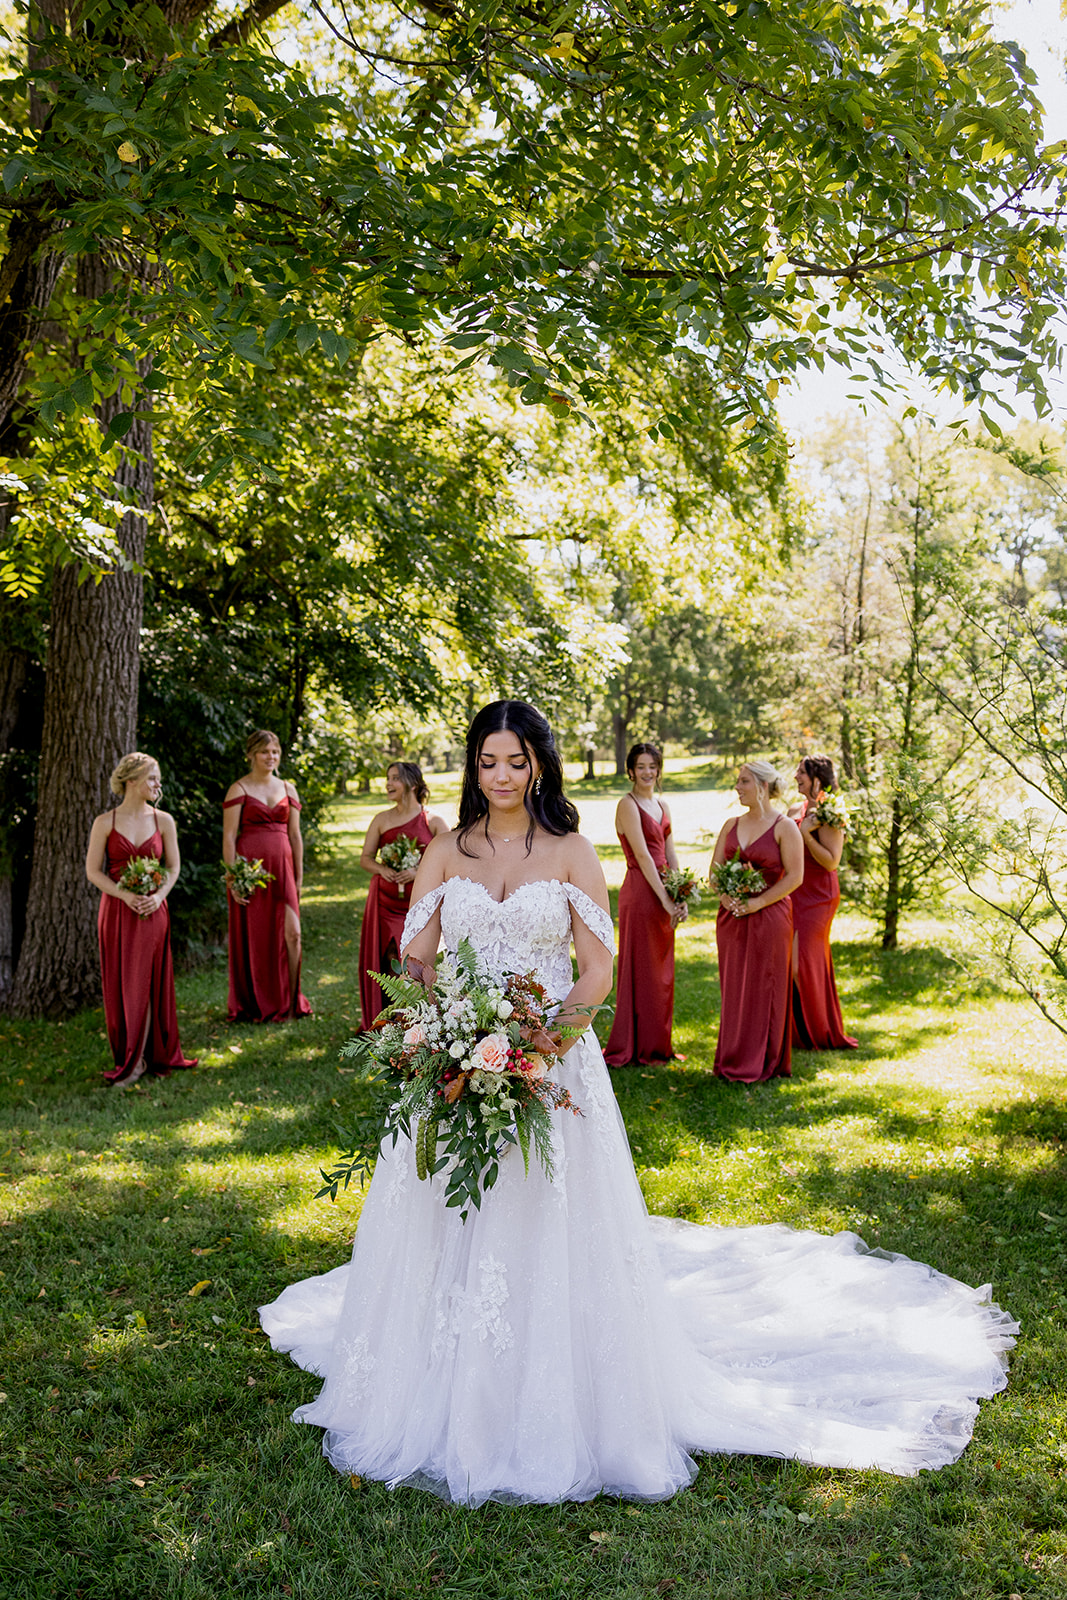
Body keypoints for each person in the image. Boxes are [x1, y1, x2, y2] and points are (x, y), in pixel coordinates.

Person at [260, 702, 1014, 1506]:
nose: (501, 776)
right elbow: (415, 955)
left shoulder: (573, 850)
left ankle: (554, 1382)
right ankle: (439, 1377)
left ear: (539, 766)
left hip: (553, 1064)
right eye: (487, 762)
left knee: (545, 1217)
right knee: (448, 1215)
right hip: (455, 1058)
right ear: (474, 767)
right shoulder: (447, 849)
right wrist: (437, 1023)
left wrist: (540, 1043)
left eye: (515, 762)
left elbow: (594, 970)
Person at [85, 752, 197, 1088]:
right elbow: (93, 872)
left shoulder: (164, 821)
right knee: (124, 985)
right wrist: (124, 894)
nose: (157, 784)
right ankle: (131, 1055)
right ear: (130, 781)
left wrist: (158, 896)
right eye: (151, 778)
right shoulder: (105, 822)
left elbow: (174, 867)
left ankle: (138, 1063)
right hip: (118, 912)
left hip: (152, 910)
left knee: (145, 984)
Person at [710, 761, 804, 1083]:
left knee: (765, 987)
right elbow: (714, 874)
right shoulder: (730, 825)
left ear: (762, 787)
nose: (738, 787)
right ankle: (732, 1057)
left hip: (770, 917)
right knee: (735, 987)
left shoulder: (784, 827)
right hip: (732, 918)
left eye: (744, 781)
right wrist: (728, 899)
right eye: (738, 781)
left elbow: (795, 876)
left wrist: (757, 903)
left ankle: (765, 1061)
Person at [604, 742, 686, 1067]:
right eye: (641, 766)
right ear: (630, 770)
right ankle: (635, 1044)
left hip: (665, 891)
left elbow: (671, 853)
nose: (647, 772)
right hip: (641, 891)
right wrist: (665, 900)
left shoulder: (663, 805)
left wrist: (680, 894)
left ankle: (658, 1044)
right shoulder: (627, 805)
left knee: (662, 971)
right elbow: (643, 856)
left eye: (653, 766)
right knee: (642, 968)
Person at [222, 730, 312, 1023]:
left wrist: (298, 876)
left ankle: (291, 1001)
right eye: (264, 752)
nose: (271, 756)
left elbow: (295, 835)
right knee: (257, 937)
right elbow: (228, 836)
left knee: (293, 934)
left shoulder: (288, 788)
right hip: (252, 872)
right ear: (251, 755)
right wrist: (235, 877)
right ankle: (258, 1002)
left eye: (275, 751)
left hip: (283, 869)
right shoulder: (238, 789)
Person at [357, 761, 449, 1028]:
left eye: (395, 778)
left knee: (411, 960)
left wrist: (418, 870)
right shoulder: (381, 819)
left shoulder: (433, 821)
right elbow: (365, 858)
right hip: (383, 903)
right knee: (386, 959)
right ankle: (384, 1018)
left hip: (417, 905)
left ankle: (416, 1018)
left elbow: (451, 860)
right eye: (388, 778)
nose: (388, 783)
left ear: (412, 783)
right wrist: (382, 869)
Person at [789, 755, 857, 1051]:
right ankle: (795, 1032)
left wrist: (806, 834)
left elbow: (832, 862)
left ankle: (819, 1030)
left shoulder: (832, 812)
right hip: (792, 889)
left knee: (803, 962)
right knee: (789, 961)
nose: (795, 776)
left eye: (801, 772)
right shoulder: (794, 809)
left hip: (818, 895)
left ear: (817, 777)